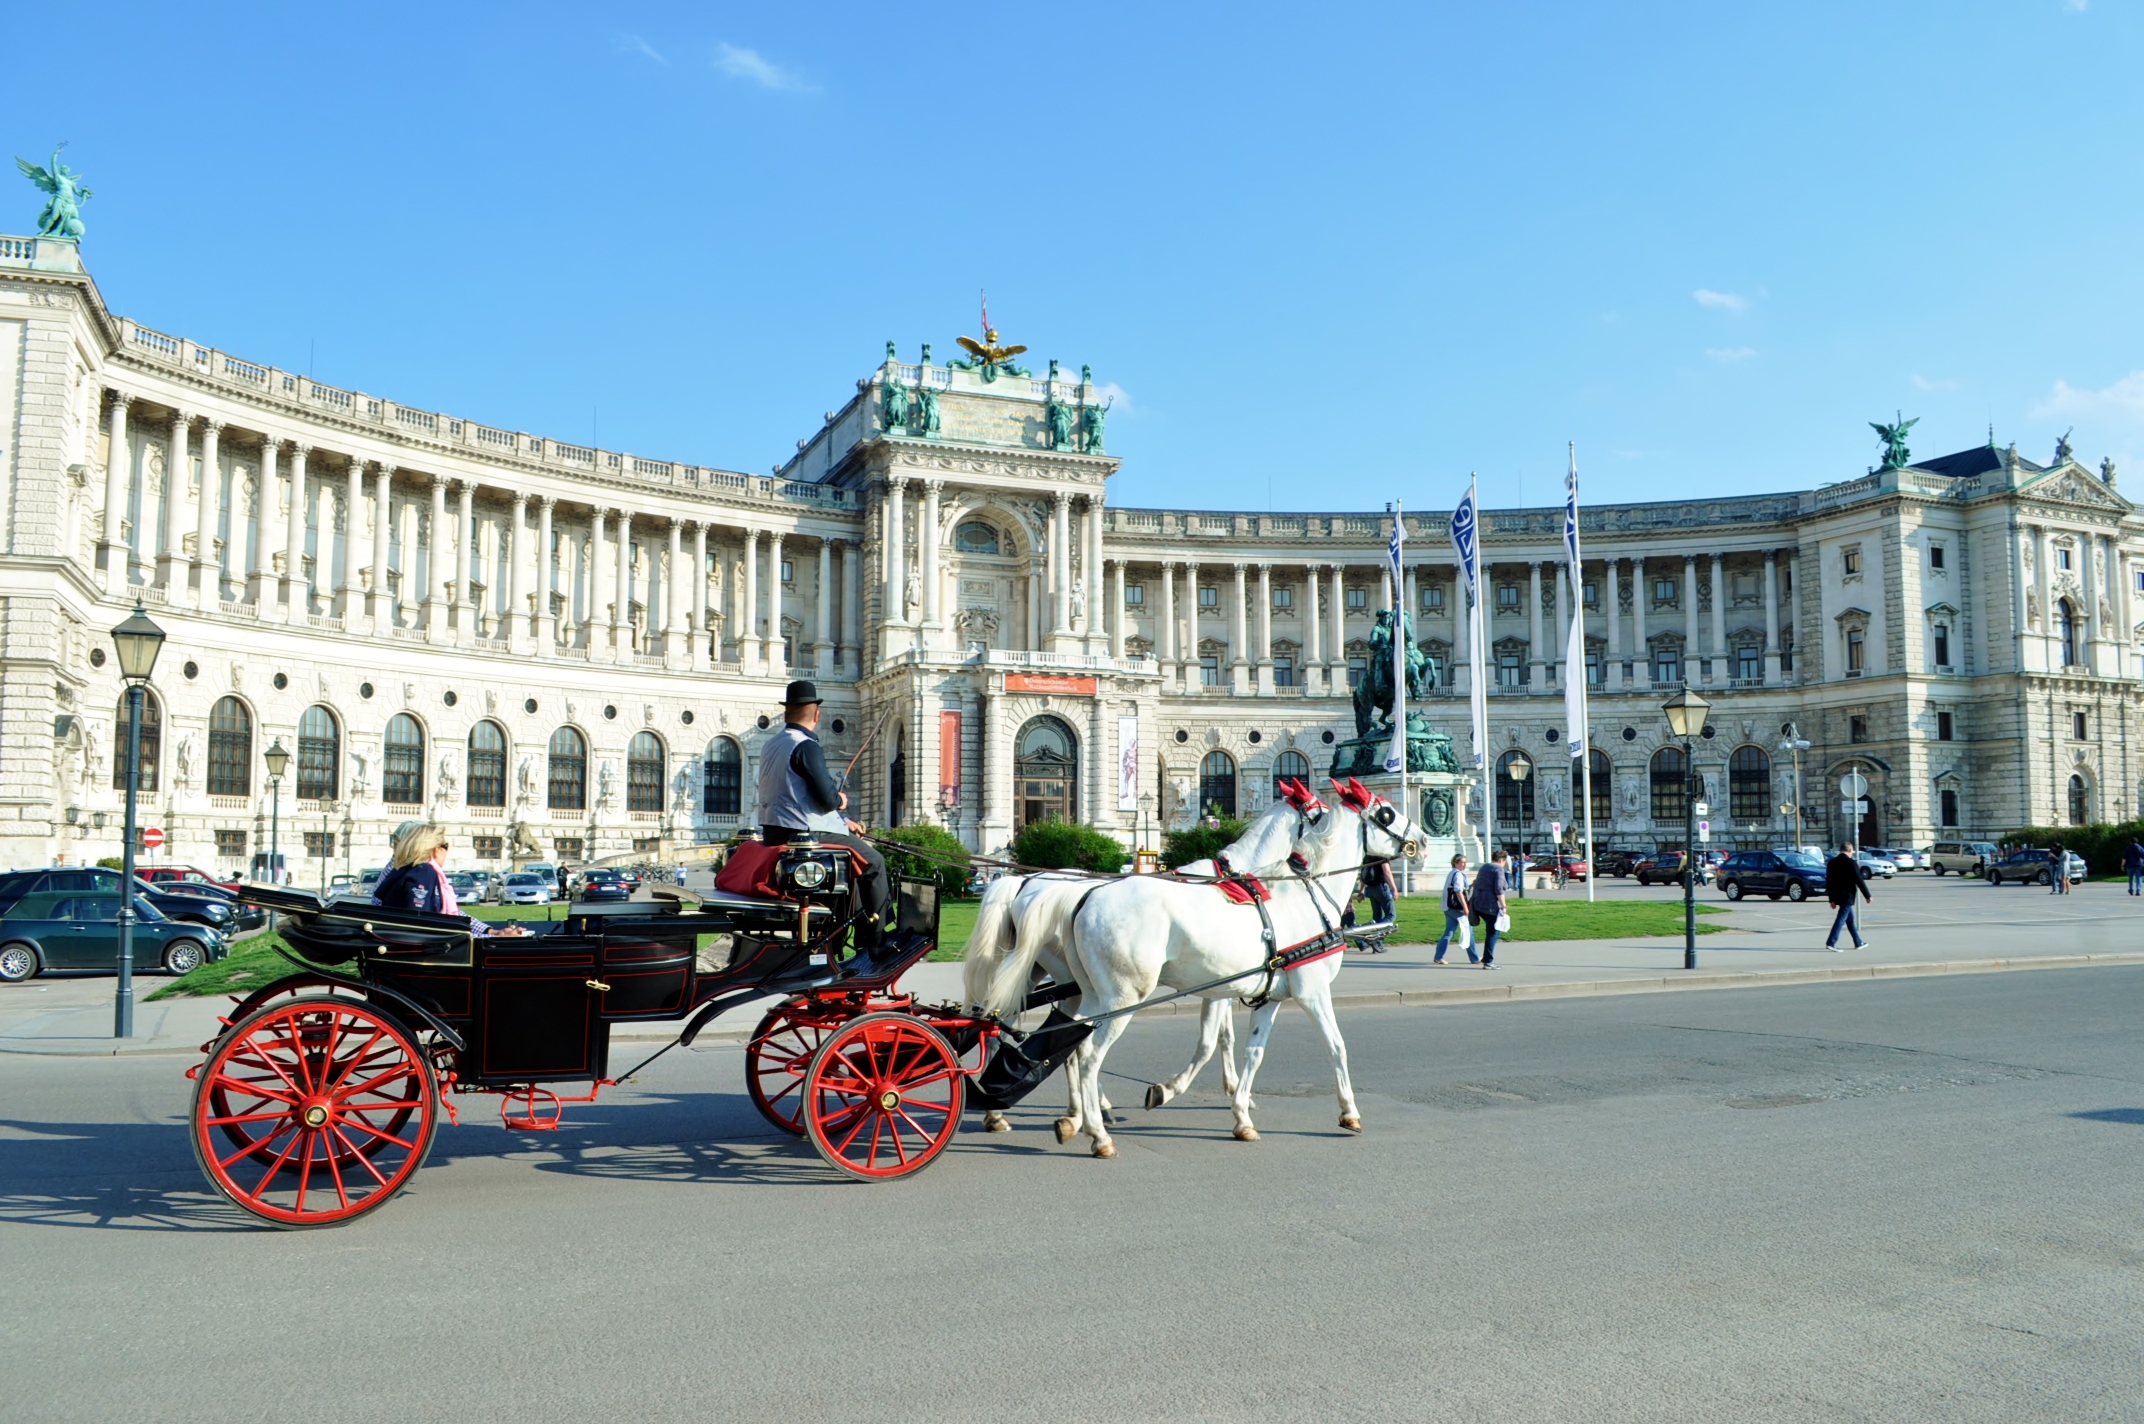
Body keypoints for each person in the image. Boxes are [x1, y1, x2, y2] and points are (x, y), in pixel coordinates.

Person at [758, 679, 889, 950]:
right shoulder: (806, 745)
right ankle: (875, 939)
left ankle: (845, 927)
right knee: (874, 862)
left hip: (775, 831)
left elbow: (796, 795)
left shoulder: (771, 745)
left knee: (855, 857)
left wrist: (843, 823)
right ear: (817, 714)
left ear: (786, 713)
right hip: (804, 834)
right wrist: (841, 801)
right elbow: (827, 798)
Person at [371, 822, 528, 936]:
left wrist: (491, 932)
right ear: (435, 849)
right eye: (445, 846)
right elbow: (425, 926)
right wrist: (490, 938)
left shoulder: (405, 870)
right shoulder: (422, 872)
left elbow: (448, 915)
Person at [1468, 848, 1511, 969]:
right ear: (1502, 860)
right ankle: (1488, 961)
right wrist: (1503, 906)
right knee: (1493, 932)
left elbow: (1477, 882)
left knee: (1491, 931)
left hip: (1479, 903)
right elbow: (1499, 889)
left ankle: (1486, 957)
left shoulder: (1485, 867)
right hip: (1491, 905)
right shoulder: (1499, 869)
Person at [1823, 841, 1869, 951]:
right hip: (1848, 896)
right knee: (1841, 918)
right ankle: (1831, 942)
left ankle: (1858, 942)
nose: (1852, 853)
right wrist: (1867, 895)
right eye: (1852, 851)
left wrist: (1831, 899)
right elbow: (1859, 880)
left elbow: (1829, 882)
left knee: (1850, 920)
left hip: (1837, 895)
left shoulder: (1832, 862)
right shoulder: (1851, 863)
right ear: (1849, 850)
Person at [1433, 853, 1477, 965]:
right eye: (1462, 862)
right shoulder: (1458, 874)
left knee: (1449, 932)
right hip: (1456, 908)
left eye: (1465, 862)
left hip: (1448, 907)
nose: (1464, 864)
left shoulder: (1452, 873)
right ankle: (1474, 957)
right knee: (1468, 931)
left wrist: (1471, 885)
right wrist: (1465, 907)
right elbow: (1458, 891)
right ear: (1455, 863)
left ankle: (1439, 956)